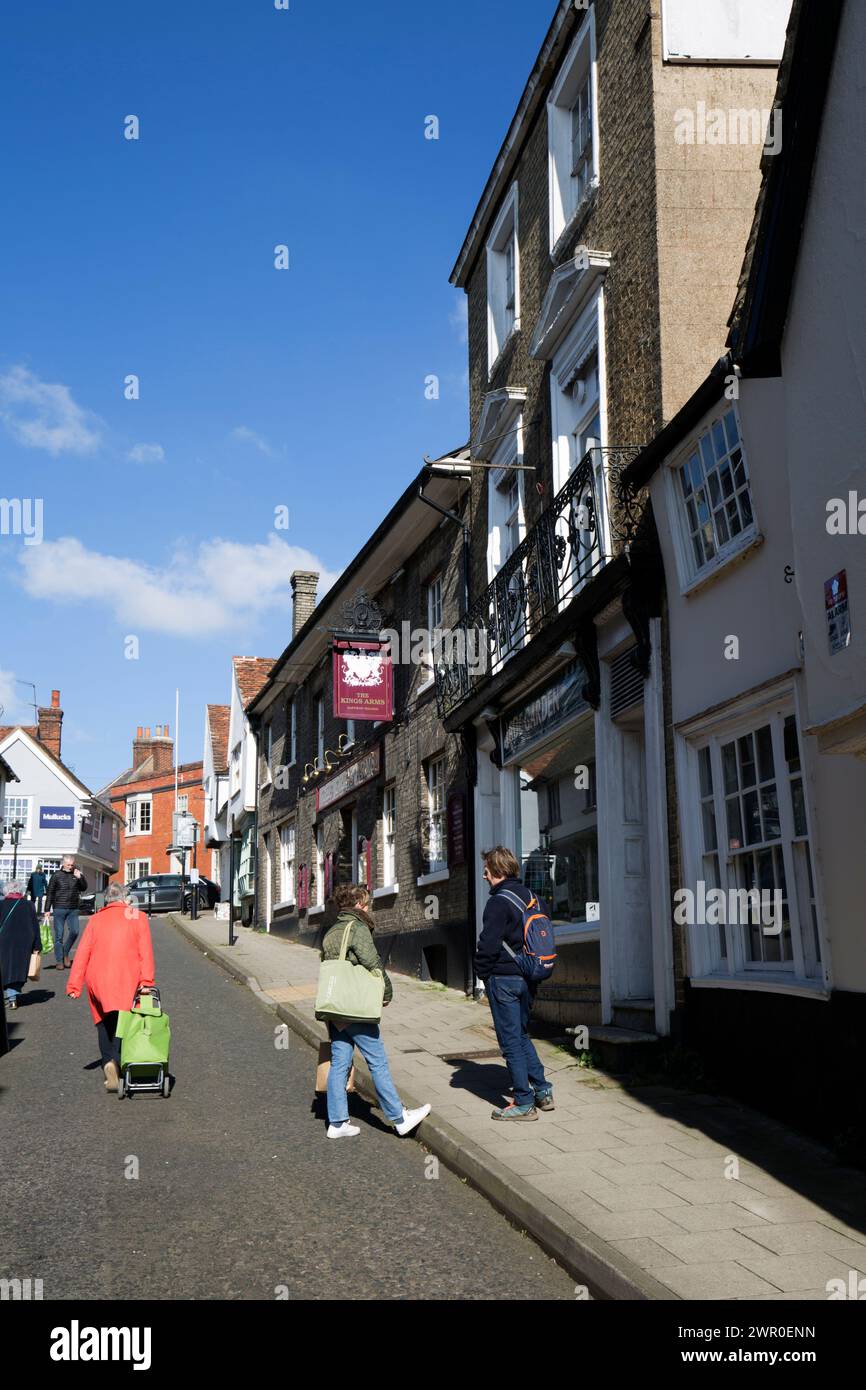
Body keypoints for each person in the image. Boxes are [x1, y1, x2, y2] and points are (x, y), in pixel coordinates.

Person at [316, 882, 430, 1140]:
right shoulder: (356, 927)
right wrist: (386, 991)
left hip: (335, 1007)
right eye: (366, 903)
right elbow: (373, 963)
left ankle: (337, 1122)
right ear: (358, 904)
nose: (368, 908)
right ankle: (400, 1119)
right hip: (354, 1008)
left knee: (340, 1063)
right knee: (377, 1060)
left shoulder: (332, 930)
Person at [474, 845, 553, 1121]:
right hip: (529, 976)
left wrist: (481, 973)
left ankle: (523, 1102)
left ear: (497, 871)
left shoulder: (498, 902)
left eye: (486, 870)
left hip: (504, 978)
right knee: (521, 1035)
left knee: (510, 1042)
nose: (484, 875)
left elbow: (489, 944)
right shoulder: (534, 898)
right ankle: (543, 1090)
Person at [66, 882, 155, 1092]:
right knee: (124, 1020)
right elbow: (145, 952)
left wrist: (74, 985)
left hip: (97, 978)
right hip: (127, 977)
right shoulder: (137, 916)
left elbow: (82, 953)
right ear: (125, 899)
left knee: (103, 1021)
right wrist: (147, 982)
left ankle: (107, 1062)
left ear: (106, 900)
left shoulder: (95, 919)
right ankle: (116, 1059)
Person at [0, 880, 42, 1009]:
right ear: (21, 890)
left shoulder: (1, 904)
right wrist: (37, 945)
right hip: (24, 942)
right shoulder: (29, 905)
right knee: (18, 970)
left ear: (6, 890)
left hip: (4, 941)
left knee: (5, 968)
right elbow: (35, 926)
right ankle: (13, 997)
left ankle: (10, 996)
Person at [46, 856, 88, 970]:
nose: (70, 867)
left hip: (73, 908)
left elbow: (84, 888)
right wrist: (47, 910)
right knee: (59, 935)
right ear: (63, 864)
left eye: (72, 865)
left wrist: (80, 878)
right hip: (59, 908)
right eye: (68, 865)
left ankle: (65, 952)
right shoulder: (56, 876)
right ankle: (59, 961)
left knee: (75, 932)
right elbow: (50, 892)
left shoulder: (76, 874)